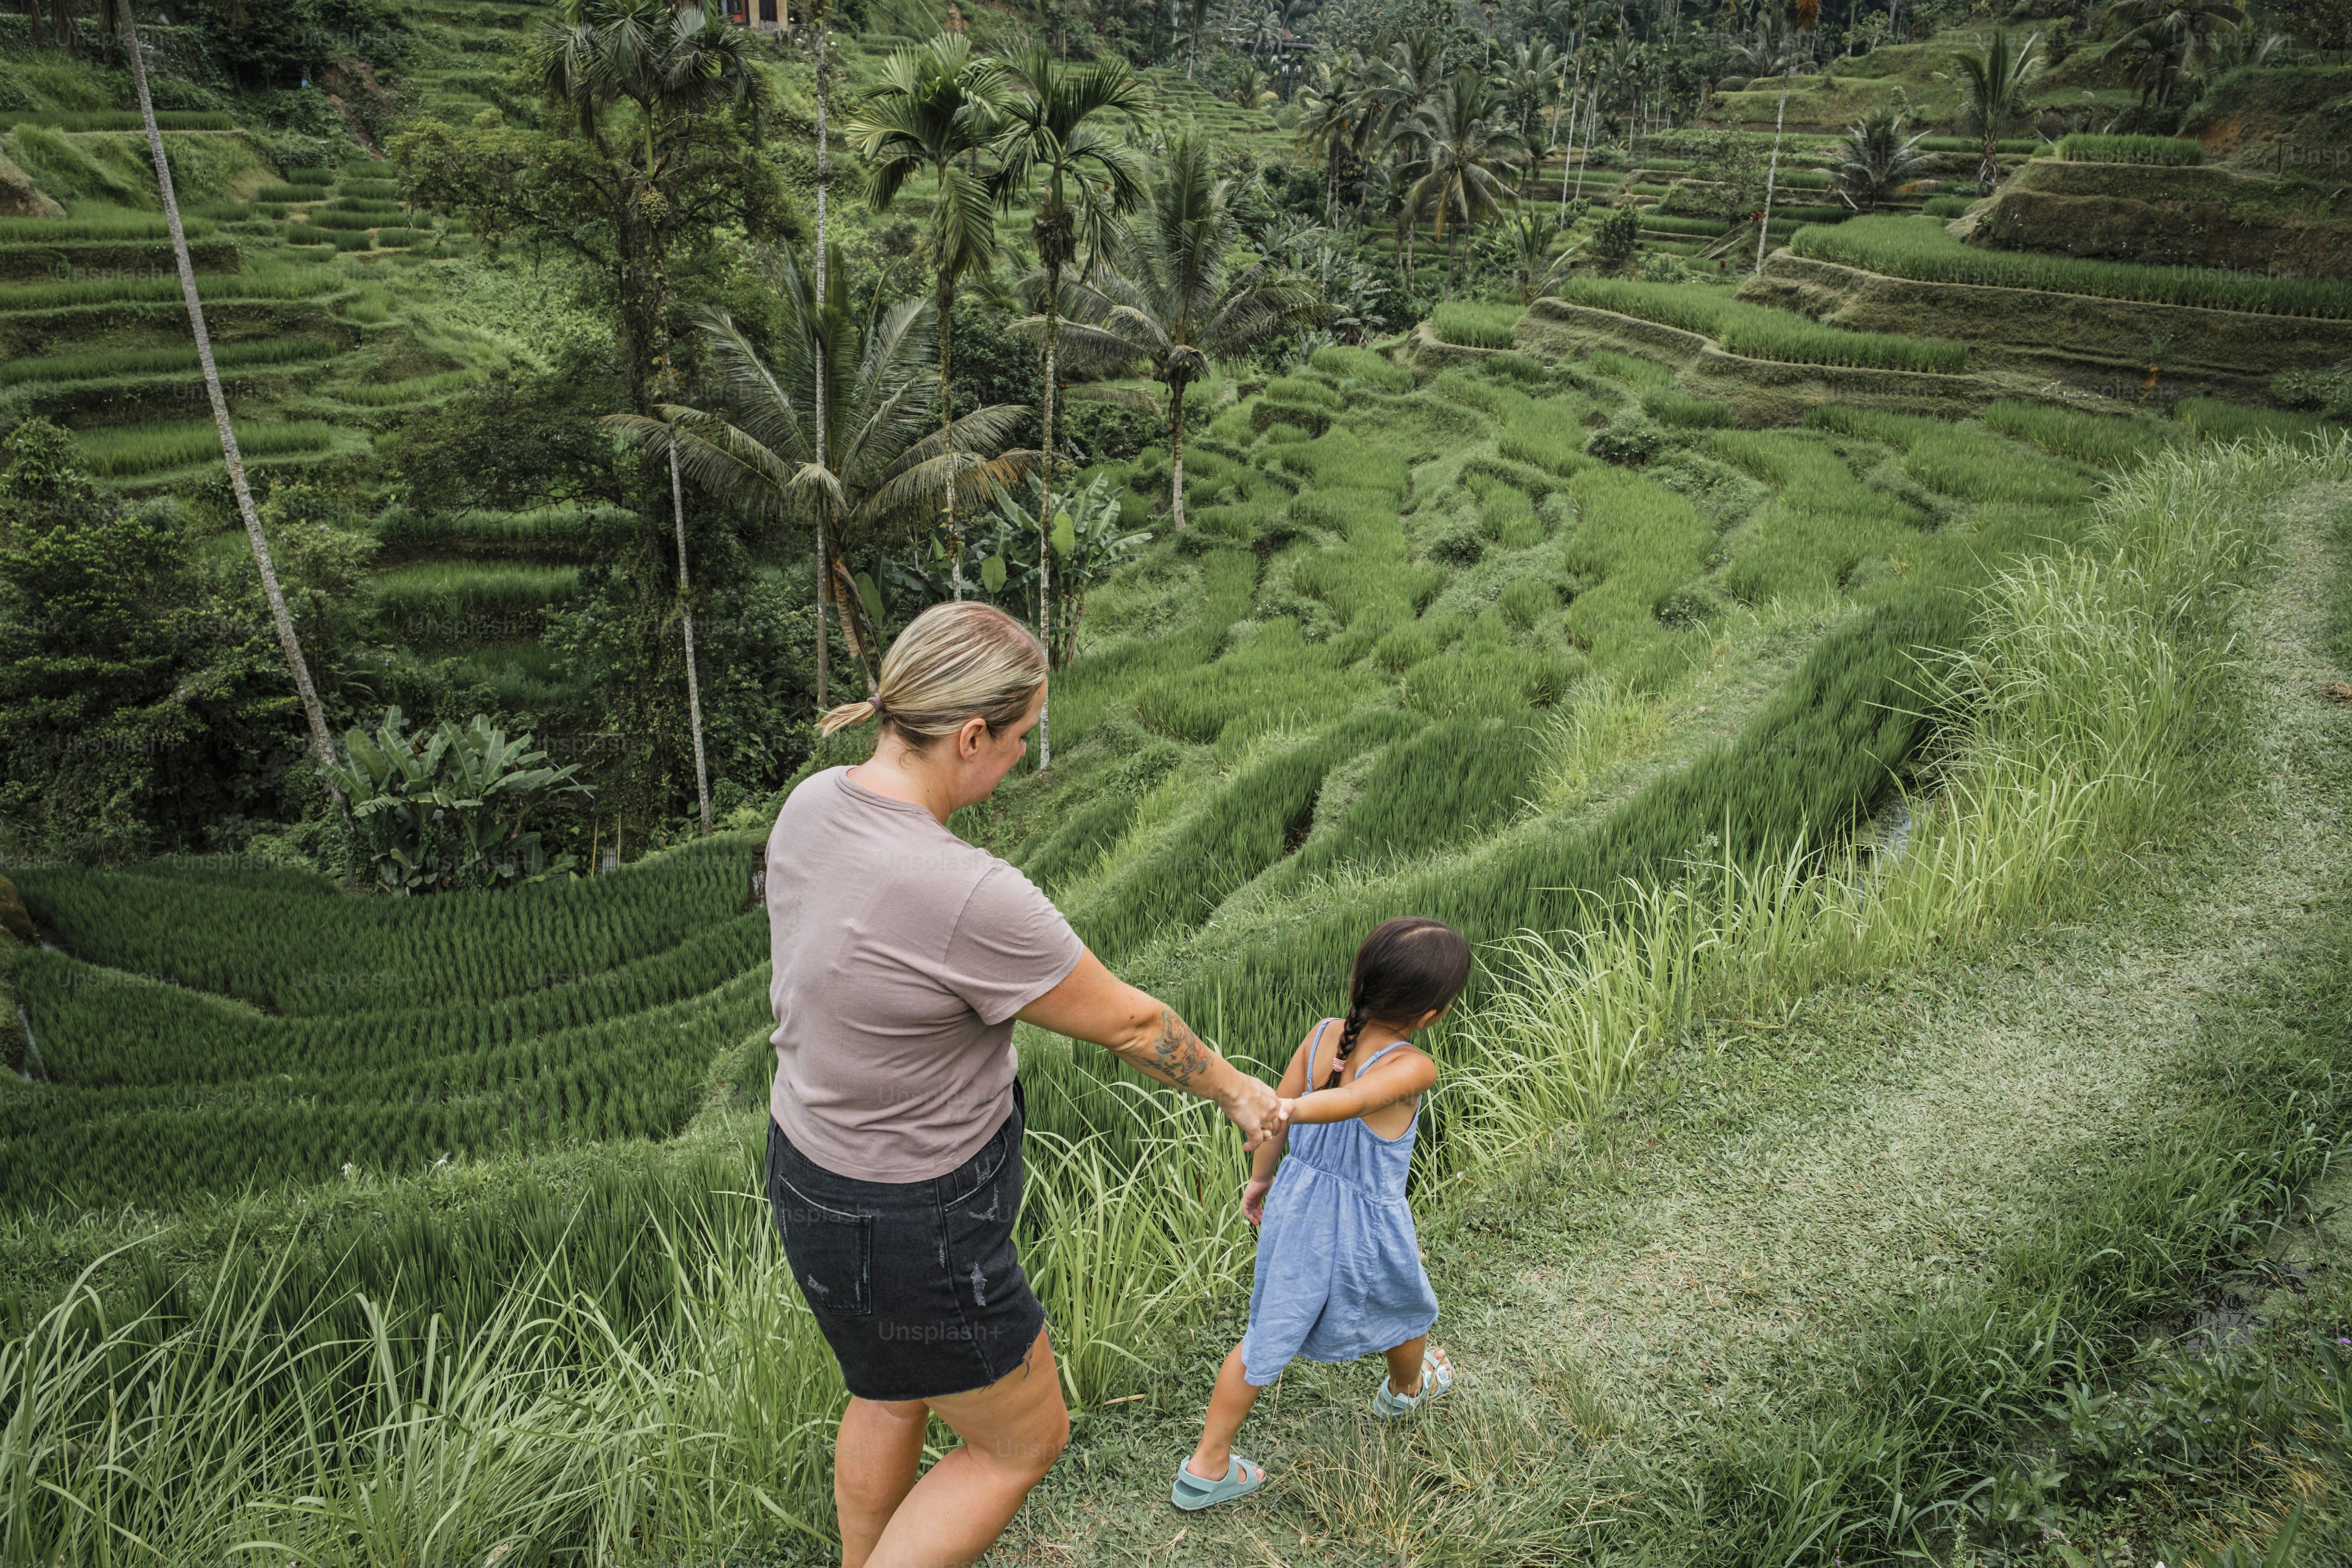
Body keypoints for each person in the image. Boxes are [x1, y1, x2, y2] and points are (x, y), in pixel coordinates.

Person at [762, 599, 1287, 1568]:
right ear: (969, 736)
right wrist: (1241, 1092)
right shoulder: (964, 889)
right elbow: (1132, 1021)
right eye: (1019, 738)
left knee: (889, 1384)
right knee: (1021, 1441)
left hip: (809, 1175)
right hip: (916, 1221)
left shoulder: (814, 802)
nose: (1019, 756)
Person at [1170, 916, 1471, 1511]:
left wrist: (1261, 1179)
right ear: (1432, 1014)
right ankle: (1408, 1387)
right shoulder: (1415, 1066)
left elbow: (1281, 1122)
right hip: (1367, 1227)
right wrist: (1288, 1113)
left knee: (1266, 1332)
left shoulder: (1323, 1035)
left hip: (1297, 1210)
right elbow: (1357, 1101)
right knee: (1405, 1308)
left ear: (1358, 980)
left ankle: (1206, 1467)